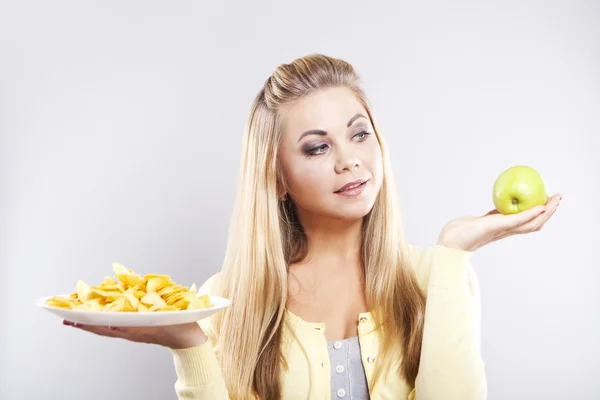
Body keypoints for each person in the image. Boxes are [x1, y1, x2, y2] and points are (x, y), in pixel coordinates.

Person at [63, 54, 562, 399]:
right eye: (318, 147)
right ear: (278, 178)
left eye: (359, 134)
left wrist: (454, 250)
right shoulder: (227, 299)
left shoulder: (437, 276)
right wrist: (189, 344)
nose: (350, 161)